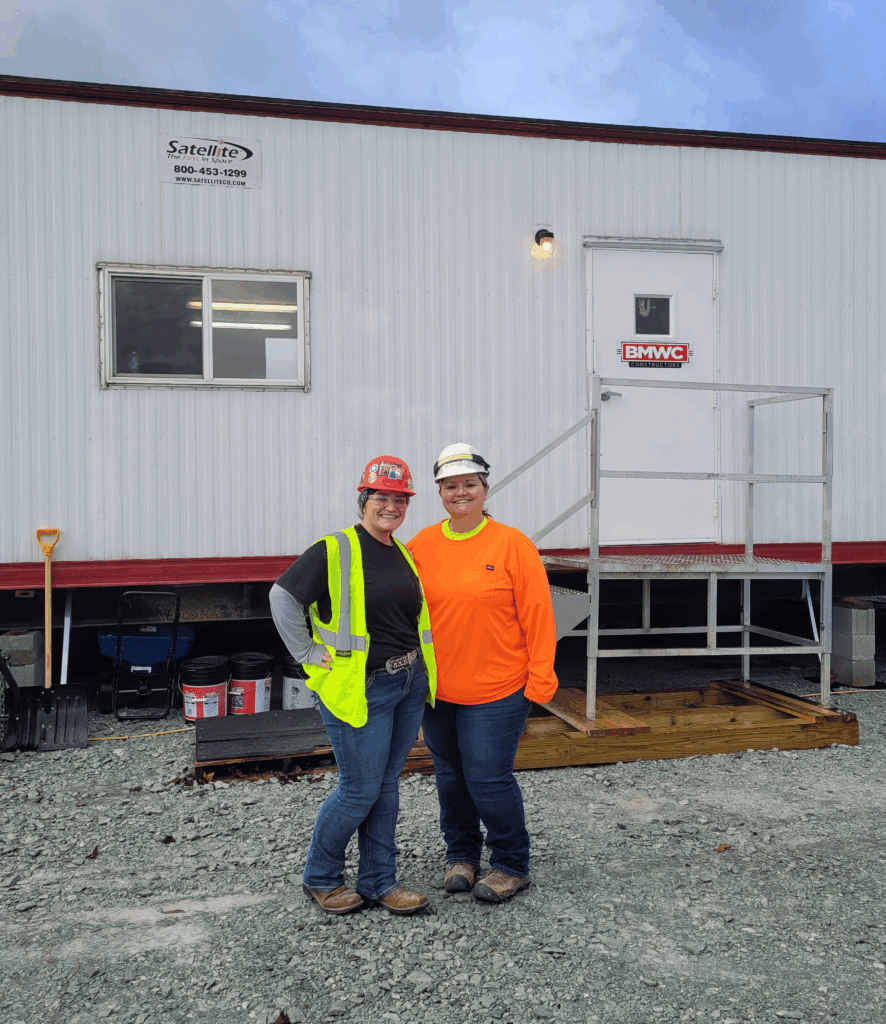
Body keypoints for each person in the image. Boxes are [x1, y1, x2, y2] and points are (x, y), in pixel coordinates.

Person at [270, 456, 437, 916]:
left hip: (406, 682)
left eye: (400, 499)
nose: (391, 506)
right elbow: (282, 597)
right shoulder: (335, 549)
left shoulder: (400, 552)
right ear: (364, 500)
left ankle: (380, 881)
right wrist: (306, 654)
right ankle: (320, 878)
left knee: (385, 786)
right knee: (359, 789)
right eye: (382, 497)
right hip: (361, 688)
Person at [407, 443, 558, 903]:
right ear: (439, 492)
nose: (460, 492)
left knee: (488, 777)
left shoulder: (512, 544)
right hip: (439, 690)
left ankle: (511, 863)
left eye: (469, 484)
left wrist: (540, 678)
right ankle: (462, 856)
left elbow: (538, 615)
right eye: (450, 485)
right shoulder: (420, 546)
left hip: (498, 688)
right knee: (450, 775)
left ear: (485, 488)